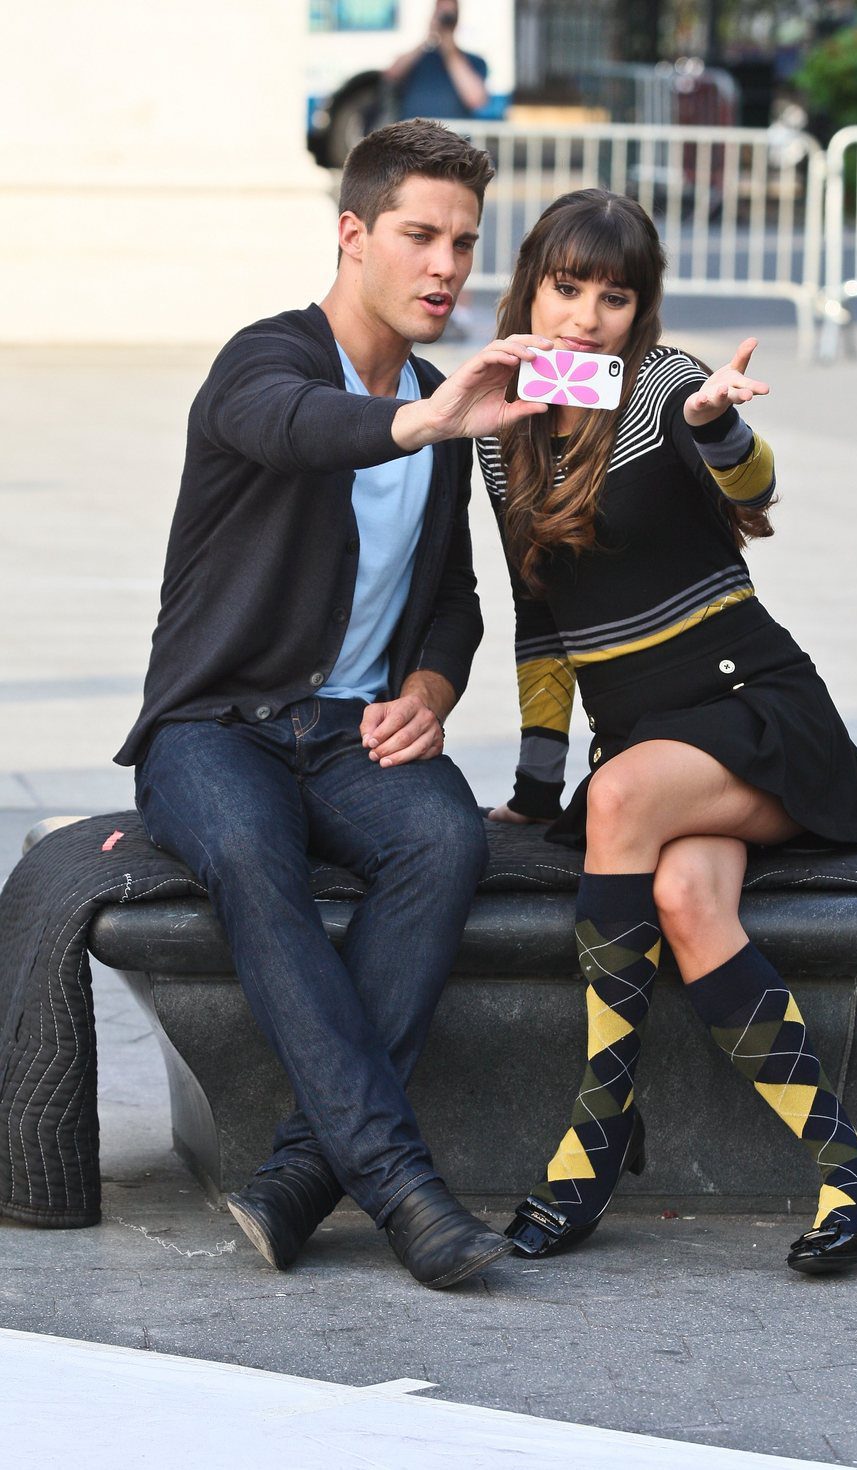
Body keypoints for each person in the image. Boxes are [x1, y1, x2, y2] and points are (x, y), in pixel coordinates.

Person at [115, 120, 550, 1290]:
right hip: (215, 727)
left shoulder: (444, 405)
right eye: (418, 235)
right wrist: (423, 421)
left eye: (463, 242)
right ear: (352, 234)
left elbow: (451, 598)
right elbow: (295, 429)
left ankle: (305, 1171)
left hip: (354, 732)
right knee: (249, 853)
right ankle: (401, 1186)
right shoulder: (266, 361)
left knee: (444, 838)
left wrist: (427, 691)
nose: (445, 266)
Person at [475, 188, 857, 1276]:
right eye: (567, 289)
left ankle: (597, 1132)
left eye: (614, 297)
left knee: (622, 796)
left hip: (754, 710)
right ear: (530, 286)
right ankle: (853, 1168)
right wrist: (535, 786)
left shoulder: (664, 383)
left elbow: (751, 479)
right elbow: (539, 622)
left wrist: (721, 423)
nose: (587, 318)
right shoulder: (503, 430)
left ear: (642, 308)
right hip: (650, 737)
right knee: (679, 893)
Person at [385, 2, 489, 122]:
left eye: (449, 15)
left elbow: (476, 100)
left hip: (452, 132)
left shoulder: (473, 61)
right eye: (439, 12)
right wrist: (428, 39)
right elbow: (391, 75)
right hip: (414, 131)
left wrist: (450, 49)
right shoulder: (418, 58)